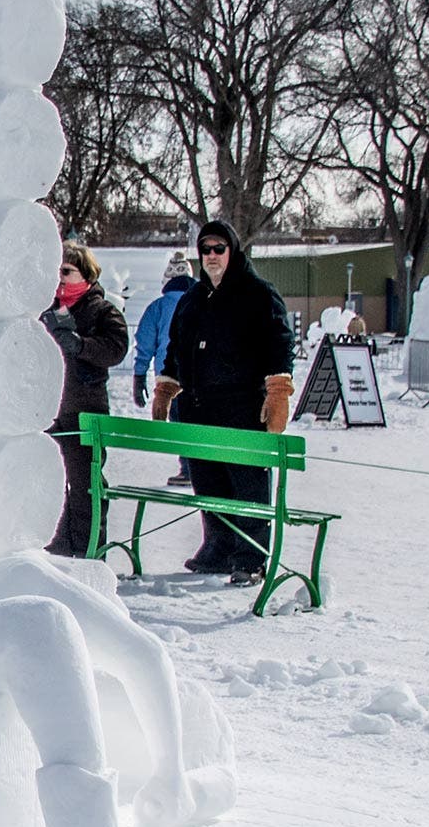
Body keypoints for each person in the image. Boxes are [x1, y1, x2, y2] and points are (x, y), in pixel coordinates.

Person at [151, 220, 296, 585]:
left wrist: (277, 392)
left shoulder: (258, 294)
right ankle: (218, 548)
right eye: (206, 250)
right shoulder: (193, 298)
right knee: (209, 482)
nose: (212, 256)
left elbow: (279, 344)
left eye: (219, 248)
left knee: (246, 484)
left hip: (242, 407)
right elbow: (175, 348)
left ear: (232, 251)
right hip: (199, 406)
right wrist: (166, 387)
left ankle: (249, 557)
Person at [41, 242, 129, 556]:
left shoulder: (102, 309)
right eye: (56, 272)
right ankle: (58, 544)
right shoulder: (47, 310)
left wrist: (81, 345)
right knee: (53, 480)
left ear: (85, 274)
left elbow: (116, 347)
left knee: (85, 483)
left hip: (85, 409)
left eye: (66, 271)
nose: (60, 278)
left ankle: (90, 547)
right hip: (50, 409)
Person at [130, 251, 195, 487]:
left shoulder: (158, 307)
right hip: (201, 378)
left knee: (178, 421)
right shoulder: (205, 302)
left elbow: (145, 343)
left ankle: (188, 469)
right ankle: (201, 468)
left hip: (168, 379)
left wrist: (139, 376)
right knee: (198, 421)